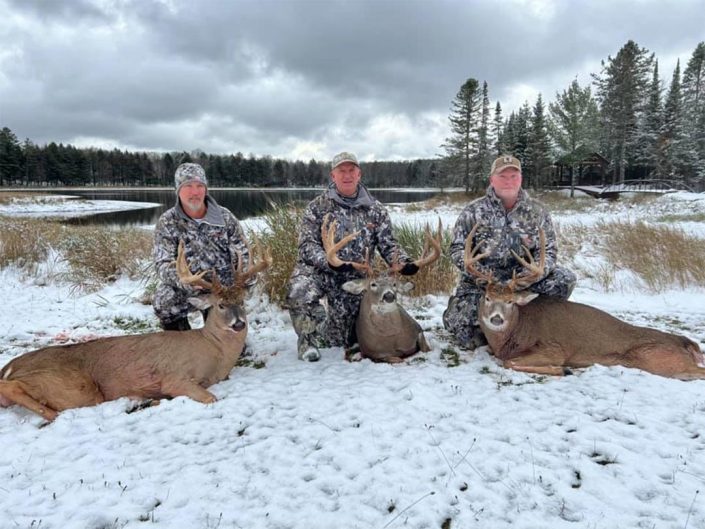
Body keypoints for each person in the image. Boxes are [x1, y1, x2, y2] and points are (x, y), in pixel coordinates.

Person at [287, 151, 420, 361]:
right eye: (341, 171)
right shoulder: (317, 207)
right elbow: (306, 245)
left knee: (342, 337)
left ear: (359, 174)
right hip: (321, 271)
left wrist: (403, 262)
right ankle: (307, 340)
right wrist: (330, 262)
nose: (347, 175)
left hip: (354, 276)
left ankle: (340, 331)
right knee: (300, 289)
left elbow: (388, 243)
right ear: (333, 176)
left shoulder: (376, 210)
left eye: (351, 171)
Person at [443, 154, 576, 349]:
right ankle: (482, 320)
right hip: (483, 285)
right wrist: (479, 274)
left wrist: (529, 275)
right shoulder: (473, 210)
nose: (509, 181)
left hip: (521, 283)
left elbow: (548, 251)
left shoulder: (537, 212)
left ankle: (532, 320)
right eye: (502, 176)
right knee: (461, 330)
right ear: (492, 179)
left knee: (565, 279)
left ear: (521, 179)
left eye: (514, 176)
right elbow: (457, 248)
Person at [153, 162, 254, 330]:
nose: (195, 192)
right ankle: (179, 335)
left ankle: (222, 324)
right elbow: (162, 264)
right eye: (188, 186)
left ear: (206, 189)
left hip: (223, 291)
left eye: (200, 185)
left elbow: (243, 251)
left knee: (233, 345)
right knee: (163, 301)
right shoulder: (167, 222)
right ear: (178, 190)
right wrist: (185, 281)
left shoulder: (225, 217)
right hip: (190, 289)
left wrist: (245, 277)